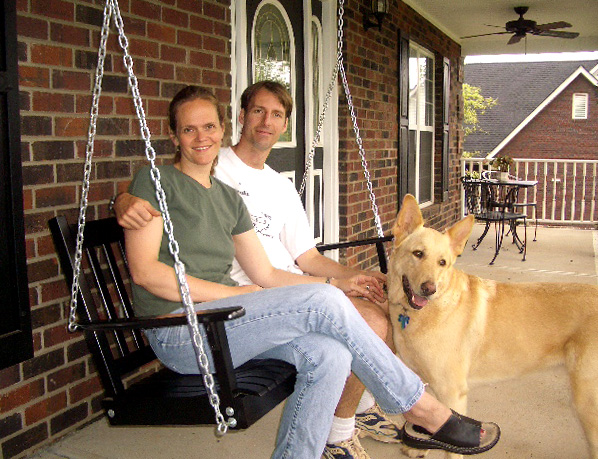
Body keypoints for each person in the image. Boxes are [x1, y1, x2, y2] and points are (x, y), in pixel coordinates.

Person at [121, 85, 500, 459]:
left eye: (208, 127)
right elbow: (146, 274)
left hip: (227, 326)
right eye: (188, 129)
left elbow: (266, 274)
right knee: (325, 301)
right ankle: (422, 410)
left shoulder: (228, 199)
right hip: (182, 333)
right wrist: (238, 295)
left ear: (222, 129)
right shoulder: (155, 182)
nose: (201, 137)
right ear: (175, 136)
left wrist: (337, 281)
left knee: (330, 355)